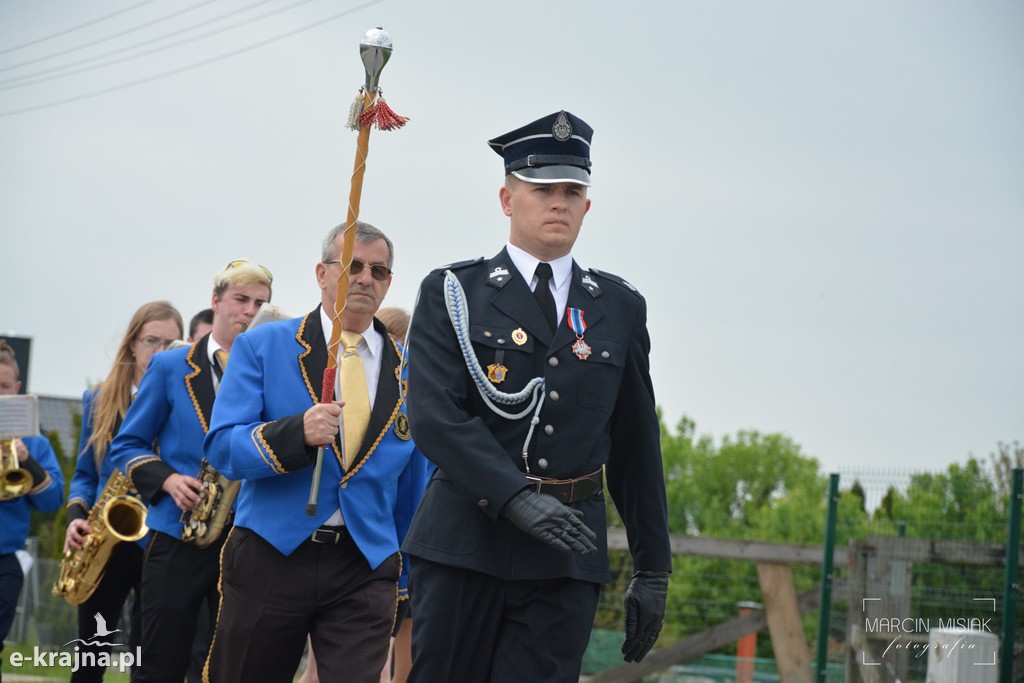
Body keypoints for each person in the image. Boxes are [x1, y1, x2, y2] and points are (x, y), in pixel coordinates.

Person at [402, 110, 672, 682]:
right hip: (464, 543)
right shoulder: (454, 292)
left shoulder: (618, 307)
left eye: (572, 190)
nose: (559, 202)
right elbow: (434, 418)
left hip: (565, 557)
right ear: (506, 199)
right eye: (542, 188)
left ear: (588, 206)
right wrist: (517, 498)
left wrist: (653, 568)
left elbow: (635, 444)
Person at [204, 222, 429, 683]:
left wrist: (402, 572)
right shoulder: (262, 346)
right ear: (322, 274)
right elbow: (223, 447)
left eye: (380, 270)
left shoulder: (411, 371)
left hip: (365, 565)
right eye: (353, 266)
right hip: (272, 553)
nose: (366, 278)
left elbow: (413, 481)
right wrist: (295, 435)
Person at [110, 259, 273, 683]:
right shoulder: (170, 366)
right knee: (159, 663)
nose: (250, 312)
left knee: (233, 667)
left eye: (260, 303)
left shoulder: (272, 370)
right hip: (178, 532)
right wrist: (166, 478)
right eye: (240, 299)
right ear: (215, 301)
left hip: (244, 538)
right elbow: (127, 445)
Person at [64, 301, 184, 682]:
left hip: (159, 539)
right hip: (105, 538)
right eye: (152, 341)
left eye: (170, 343)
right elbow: (85, 472)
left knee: (146, 656)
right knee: (90, 654)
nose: (159, 352)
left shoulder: (183, 402)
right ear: (132, 343)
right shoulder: (99, 400)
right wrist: (75, 517)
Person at [0, 342, 65, 664]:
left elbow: (52, 502)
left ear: (18, 388)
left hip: (5, 560)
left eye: (4, 387)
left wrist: (27, 462)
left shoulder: (34, 441)